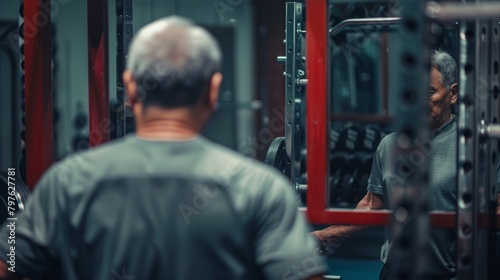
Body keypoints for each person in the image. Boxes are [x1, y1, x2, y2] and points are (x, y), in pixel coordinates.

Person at [0, 16, 326, 280]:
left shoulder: (66, 182)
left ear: (129, 89)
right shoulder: (261, 188)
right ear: (214, 90)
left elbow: (9, 263)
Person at [313, 50, 461, 280]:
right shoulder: (390, 144)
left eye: (429, 93)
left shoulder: (471, 146)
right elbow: (373, 206)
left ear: (453, 94)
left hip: (449, 274)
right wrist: (326, 236)